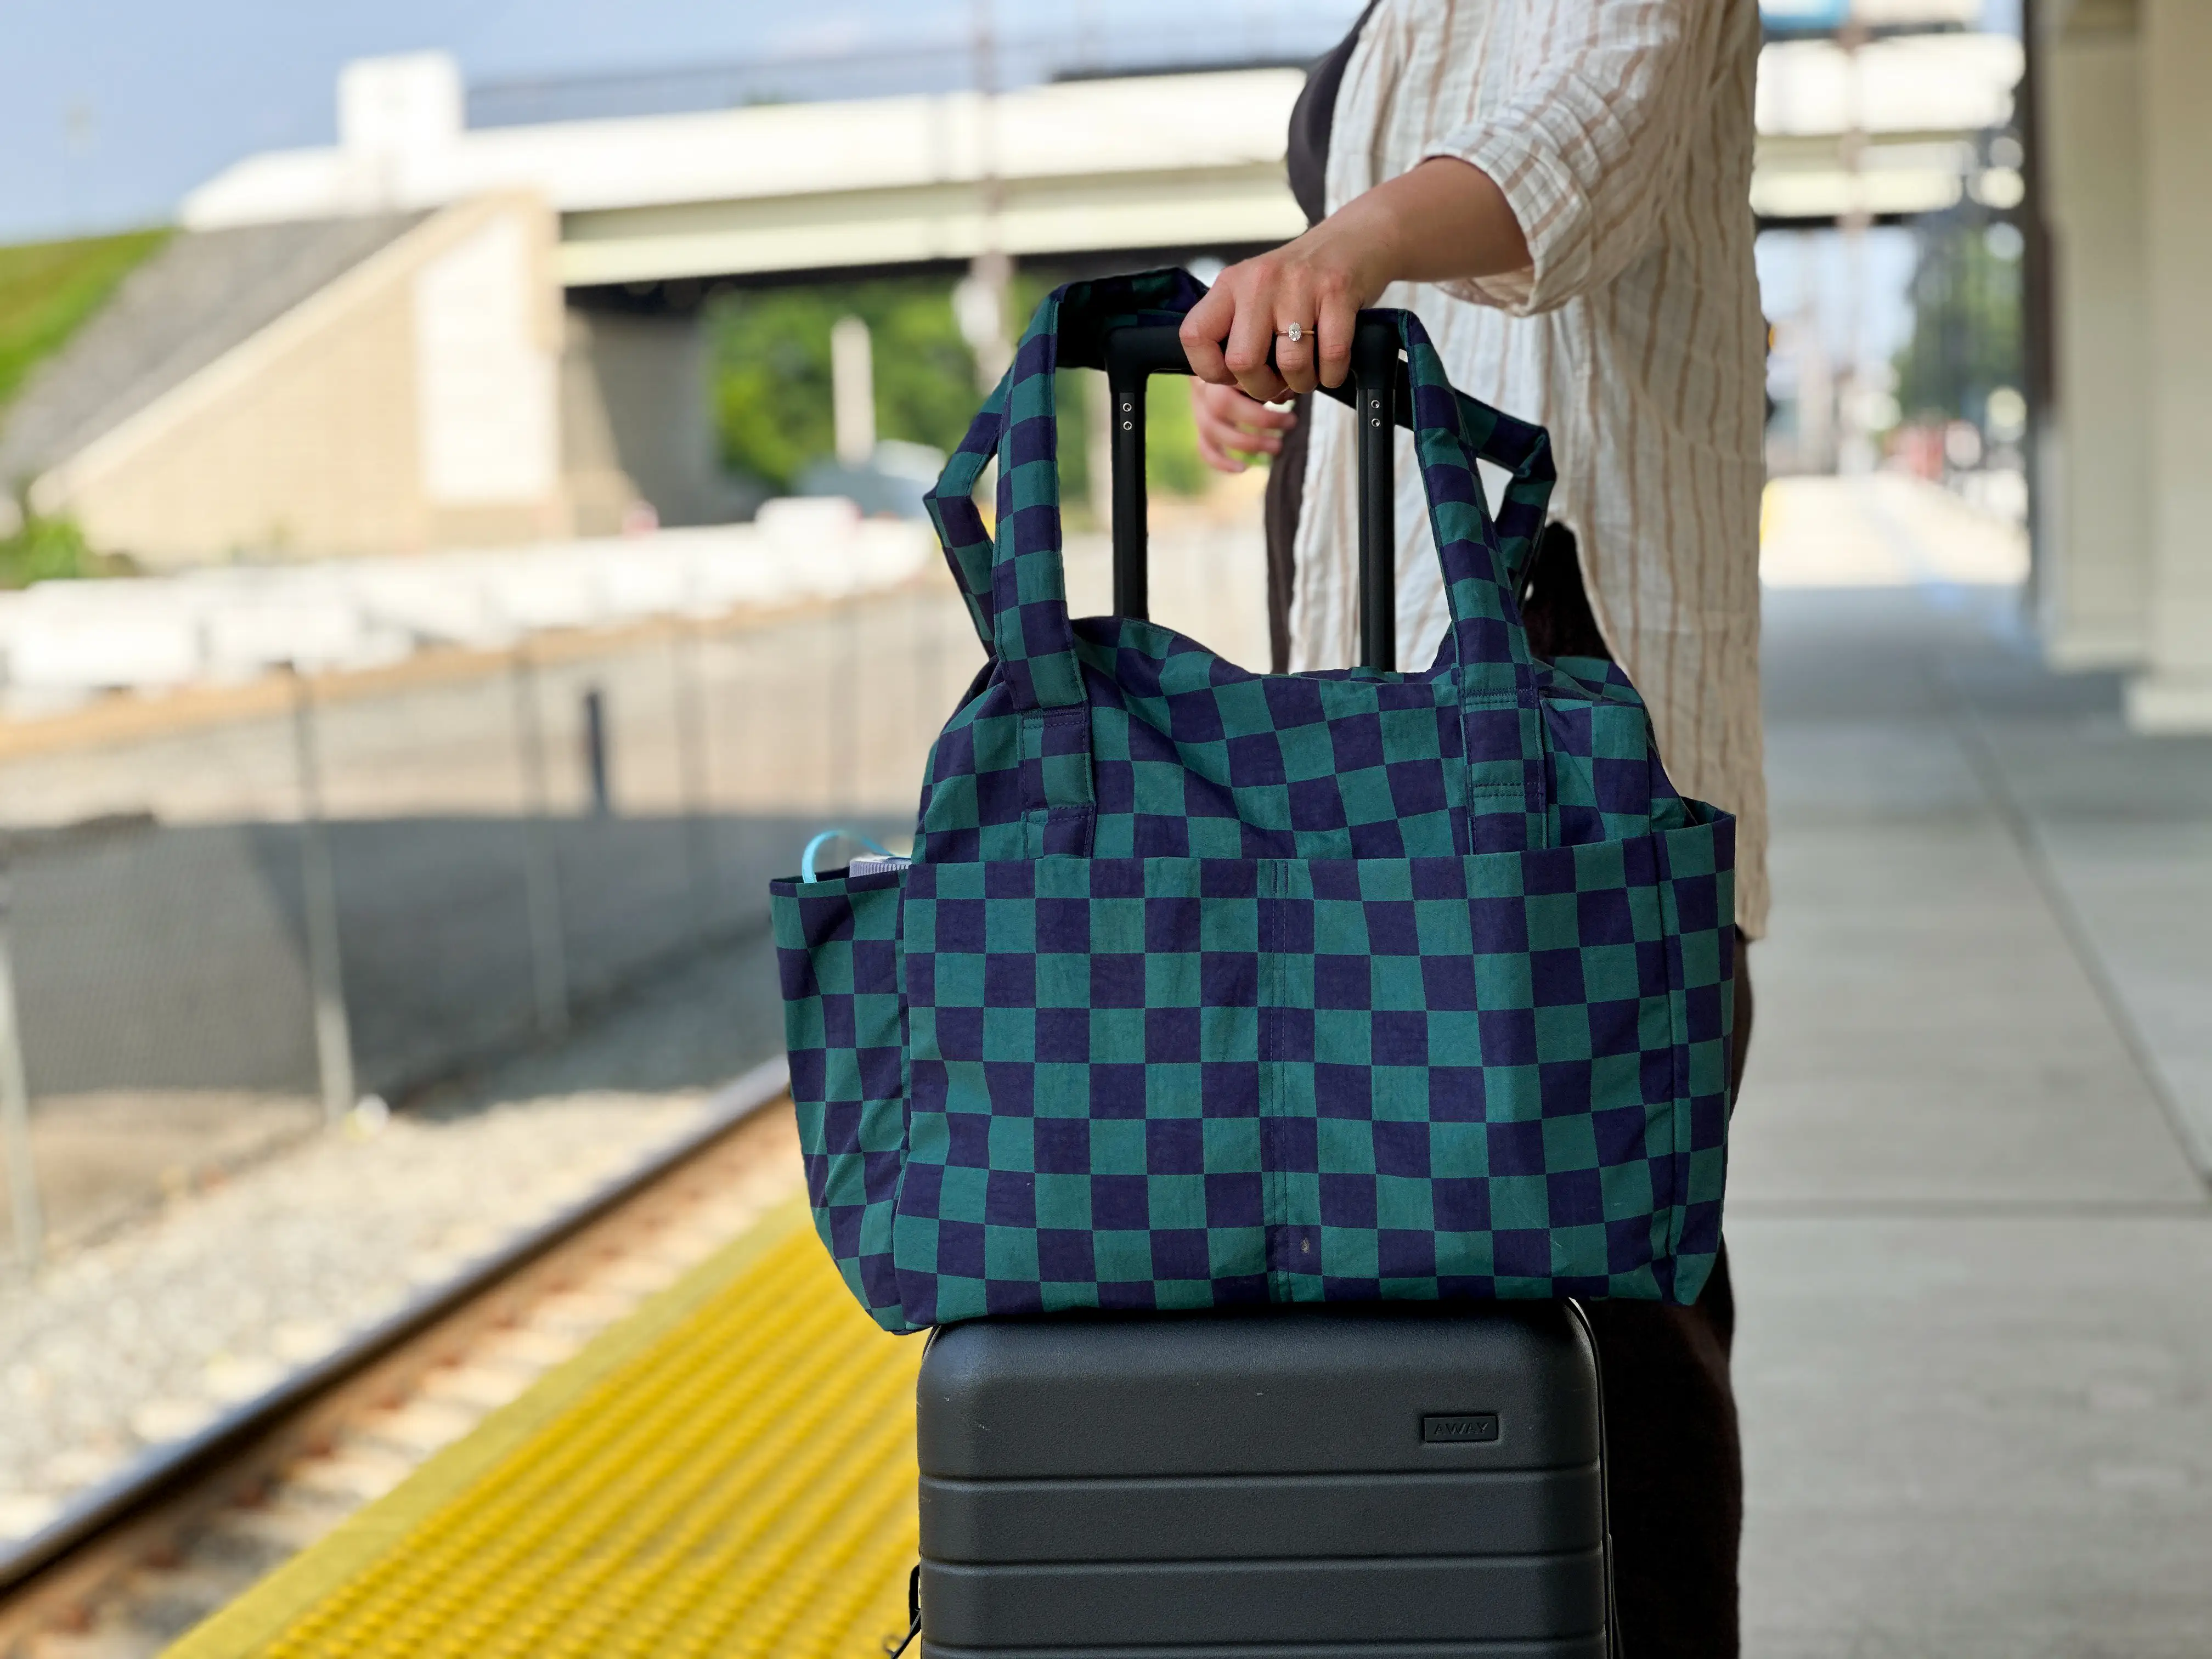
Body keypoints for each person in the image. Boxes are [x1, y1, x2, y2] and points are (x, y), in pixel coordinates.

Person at [1179, 3, 1767, 1655]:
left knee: (1605, 1320)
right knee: (1413, 1311)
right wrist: (1275, 348)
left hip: (1573, 748)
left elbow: (1588, 140)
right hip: (1366, 753)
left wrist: (1344, 246)